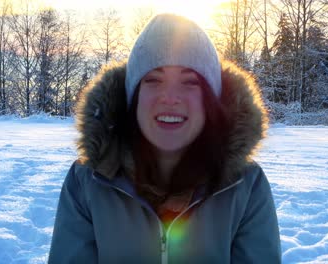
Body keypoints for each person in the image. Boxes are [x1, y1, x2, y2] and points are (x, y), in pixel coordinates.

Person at [49, 13, 281, 263]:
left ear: (209, 101)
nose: (170, 97)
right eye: (154, 80)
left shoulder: (245, 186)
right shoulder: (87, 182)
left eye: (189, 82)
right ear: (134, 97)